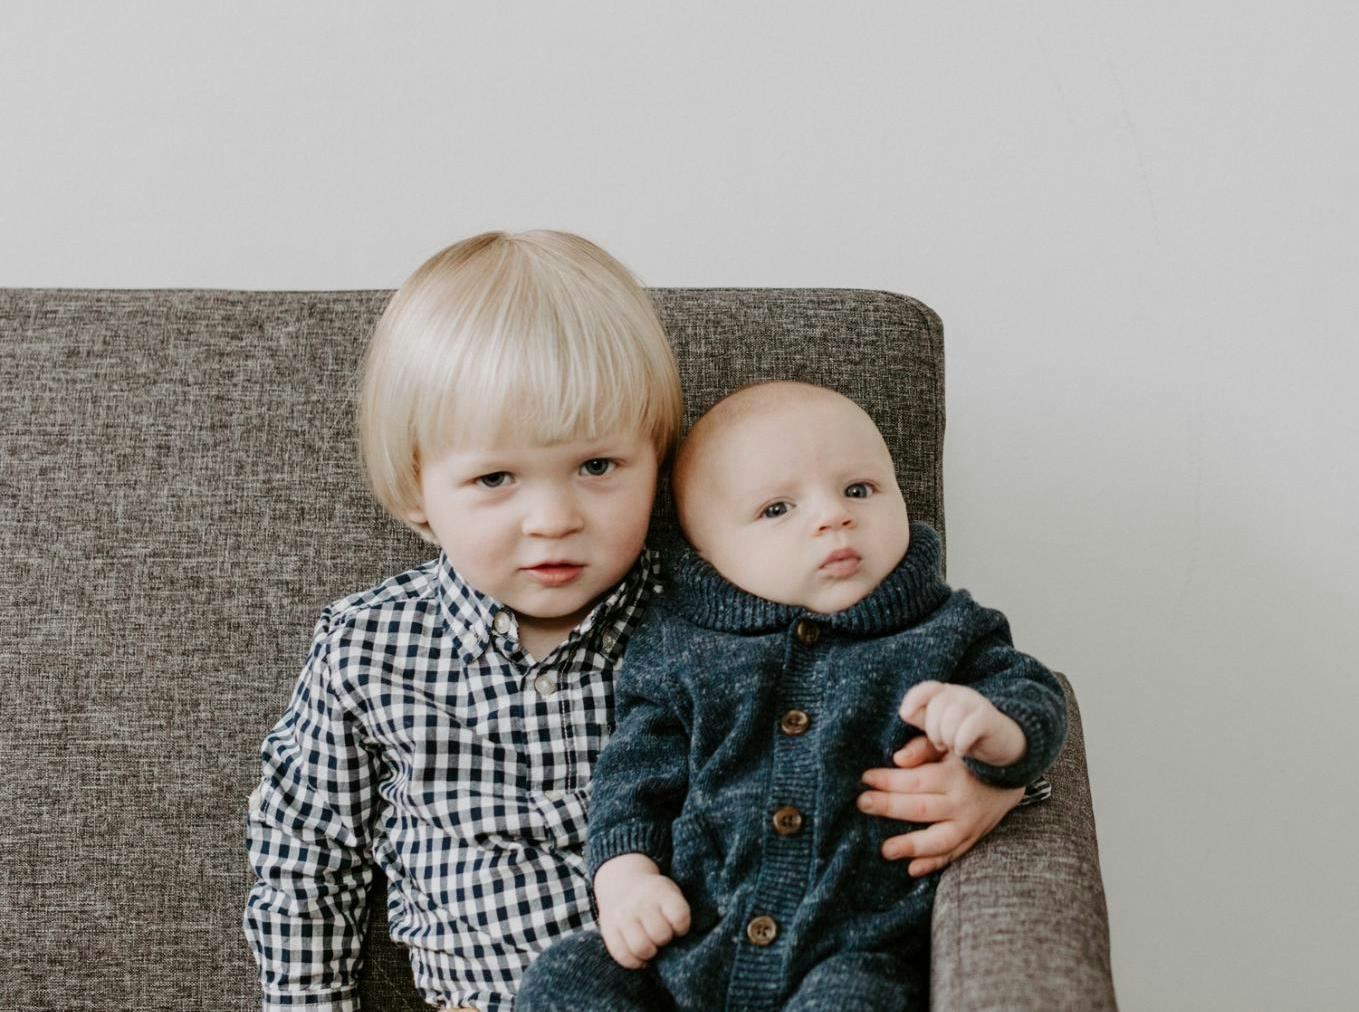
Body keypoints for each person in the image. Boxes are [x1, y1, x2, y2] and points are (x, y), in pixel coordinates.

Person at [242, 233, 1028, 1011]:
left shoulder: (725, 614)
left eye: (597, 467)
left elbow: (910, 682)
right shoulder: (368, 647)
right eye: (493, 478)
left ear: (657, 463)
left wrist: (997, 782)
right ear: (417, 490)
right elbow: (304, 856)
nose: (552, 518)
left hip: (691, 985)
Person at [518, 381, 1067, 1012]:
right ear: (707, 552)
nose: (834, 516)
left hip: (851, 955)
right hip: (689, 953)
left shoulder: (945, 629)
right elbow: (634, 775)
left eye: (858, 490)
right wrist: (625, 878)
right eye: (777, 509)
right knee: (571, 973)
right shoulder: (681, 647)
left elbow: (1035, 691)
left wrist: (997, 731)